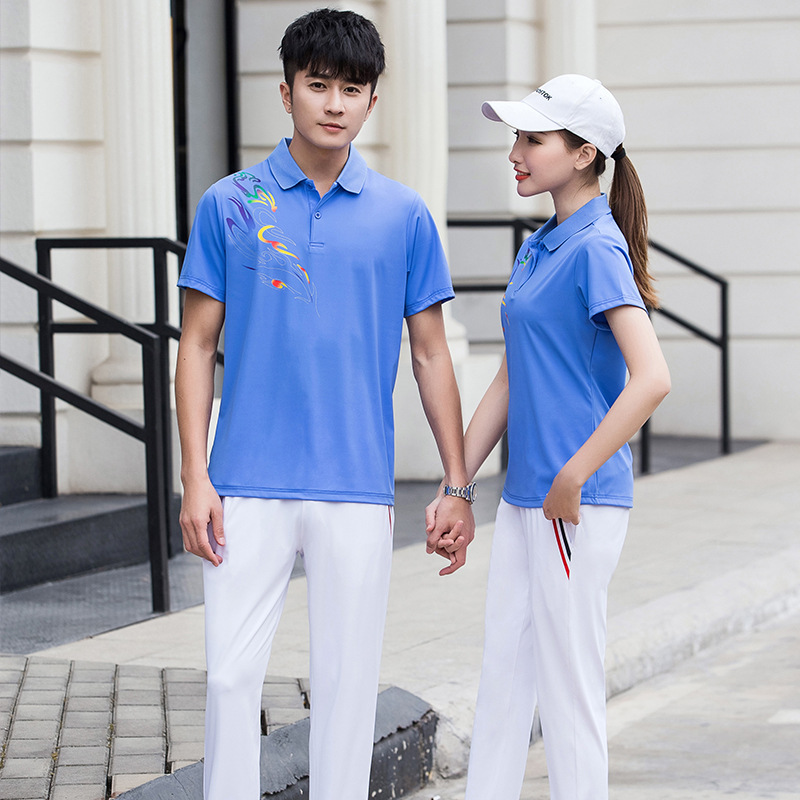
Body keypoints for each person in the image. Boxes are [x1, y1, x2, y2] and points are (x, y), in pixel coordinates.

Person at [174, 9, 475, 800]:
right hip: (245, 481)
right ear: (286, 92)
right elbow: (196, 345)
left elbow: (431, 352)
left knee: (347, 688)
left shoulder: (404, 214)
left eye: (352, 88)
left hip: (356, 484)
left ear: (373, 100)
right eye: (318, 85)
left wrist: (457, 482)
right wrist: (195, 476)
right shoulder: (230, 204)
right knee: (230, 679)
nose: (334, 103)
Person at [426, 74, 671, 799]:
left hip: (575, 505)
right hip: (525, 498)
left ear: (585, 153)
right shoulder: (541, 246)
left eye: (534, 139)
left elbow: (652, 377)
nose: (516, 153)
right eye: (517, 138)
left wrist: (574, 475)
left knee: (568, 692)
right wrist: (457, 486)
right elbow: (509, 380)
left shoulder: (597, 248)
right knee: (504, 676)